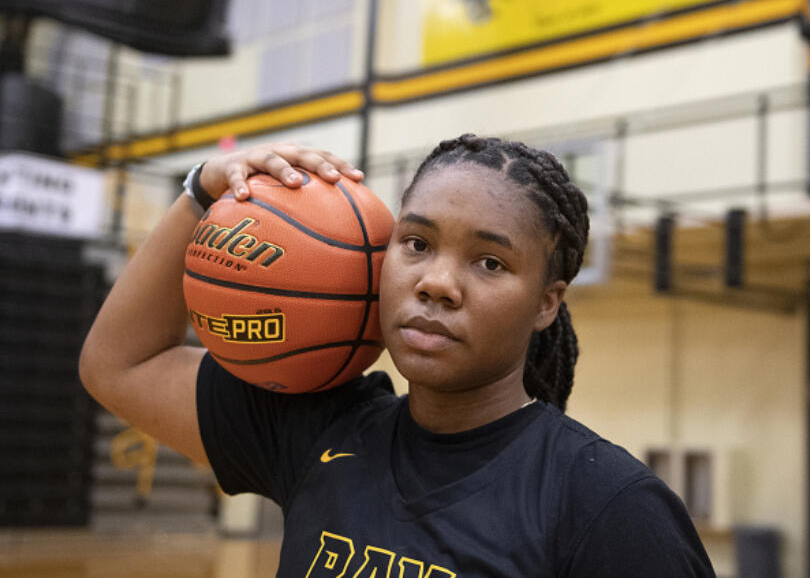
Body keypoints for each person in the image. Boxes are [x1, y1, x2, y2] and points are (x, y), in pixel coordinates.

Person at [80, 134, 715, 577]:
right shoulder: (317, 427)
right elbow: (118, 364)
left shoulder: (610, 506)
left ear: (547, 303)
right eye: (416, 243)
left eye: (489, 262)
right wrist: (200, 193)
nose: (436, 281)